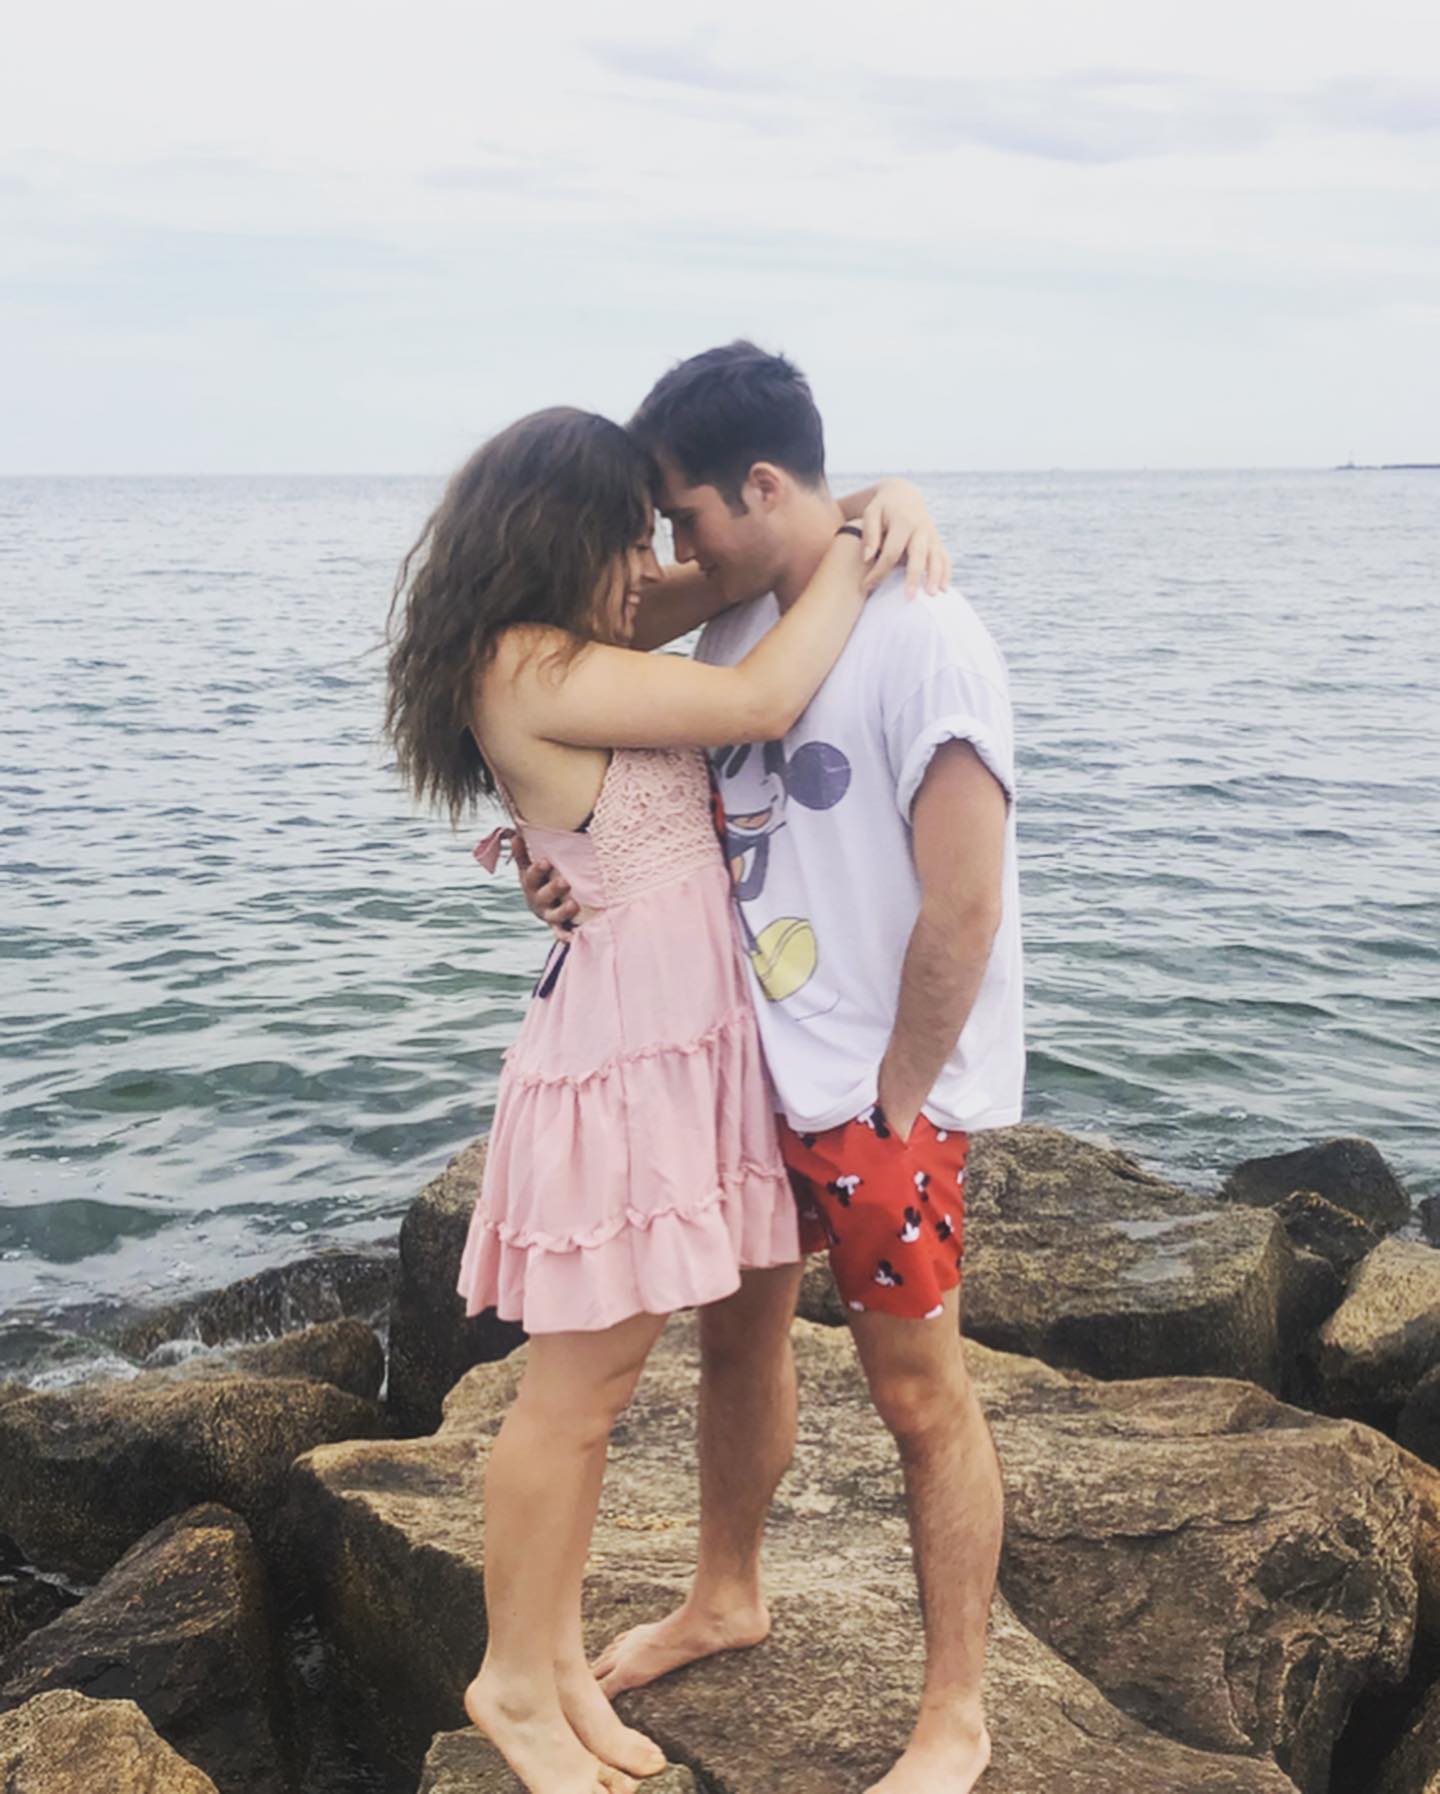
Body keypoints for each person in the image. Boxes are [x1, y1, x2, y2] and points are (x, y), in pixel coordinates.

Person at [383, 404, 948, 1794]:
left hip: (690, 1051)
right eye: (628, 538)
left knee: (622, 1380)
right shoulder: (528, 661)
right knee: (574, 1394)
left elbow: (751, 559)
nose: (650, 563)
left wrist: (870, 498)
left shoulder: (580, 641)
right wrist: (861, 553)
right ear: (559, 537)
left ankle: (558, 1658)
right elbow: (758, 701)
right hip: (625, 1064)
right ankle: (514, 1679)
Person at [525, 344, 1021, 1794]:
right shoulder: (740, 611)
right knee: (737, 1342)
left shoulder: (928, 637)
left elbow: (966, 903)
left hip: (874, 1089)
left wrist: (900, 1095)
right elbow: (643, 752)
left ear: (755, 486)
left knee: (921, 1397)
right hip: (749, 1057)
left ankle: (957, 1714)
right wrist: (556, 868)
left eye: (684, 517)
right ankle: (724, 1594)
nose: (670, 552)